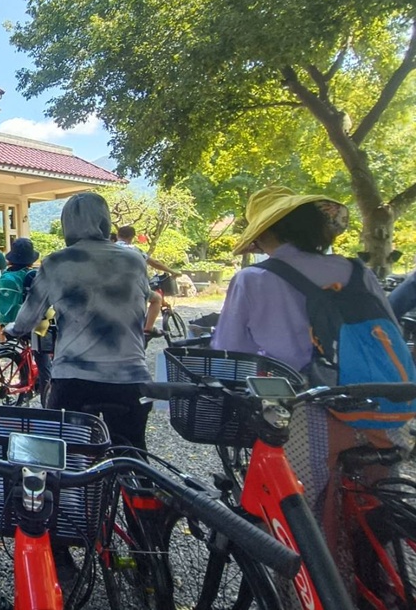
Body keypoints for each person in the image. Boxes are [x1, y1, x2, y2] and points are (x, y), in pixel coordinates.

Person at [211, 186, 406, 560]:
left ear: (266, 232)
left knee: (305, 532)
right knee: (380, 515)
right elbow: (389, 328)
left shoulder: (252, 279)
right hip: (384, 405)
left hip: (311, 410)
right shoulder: (355, 270)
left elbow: (231, 356)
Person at [5, 193, 151, 450]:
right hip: (130, 377)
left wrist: (14, 330)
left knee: (64, 457)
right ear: (105, 221)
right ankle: (138, 487)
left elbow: (27, 320)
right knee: (133, 452)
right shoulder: (135, 260)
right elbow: (141, 302)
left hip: (74, 378)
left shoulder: (55, 263)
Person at [0, 238, 53, 406]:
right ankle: (46, 401)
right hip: (29, 323)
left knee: (27, 351)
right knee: (44, 362)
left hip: (7, 322)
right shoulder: (33, 275)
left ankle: (27, 386)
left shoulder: (6, 274)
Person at [116, 225, 182, 338]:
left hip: (112, 286)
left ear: (117, 235)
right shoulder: (134, 249)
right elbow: (155, 263)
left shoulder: (110, 248)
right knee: (157, 298)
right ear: (132, 237)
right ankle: (148, 329)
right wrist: (172, 271)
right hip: (133, 287)